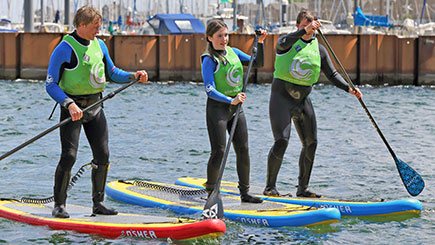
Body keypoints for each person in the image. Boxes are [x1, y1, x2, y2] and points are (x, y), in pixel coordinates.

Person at [45, 5, 148, 218]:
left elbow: (112, 72)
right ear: (81, 25)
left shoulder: (100, 45)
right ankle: (59, 205)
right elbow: (51, 84)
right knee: (69, 156)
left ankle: (98, 203)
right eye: (95, 26)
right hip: (72, 108)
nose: (98, 31)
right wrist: (68, 104)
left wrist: (133, 76)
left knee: (103, 155)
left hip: (95, 107)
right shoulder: (64, 48)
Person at [263, 9, 362, 198]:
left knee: (311, 143)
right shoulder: (287, 42)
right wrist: (304, 31)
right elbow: (282, 42)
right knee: (282, 141)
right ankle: (270, 187)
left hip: (302, 100)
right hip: (281, 98)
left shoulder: (320, 49)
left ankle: (302, 189)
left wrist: (350, 88)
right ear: (298, 26)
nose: (309, 30)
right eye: (304, 26)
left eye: (312, 26)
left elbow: (332, 74)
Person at [201, 19, 267, 203]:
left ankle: (245, 193)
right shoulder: (209, 59)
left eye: (226, 35)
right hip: (217, 110)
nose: (224, 39)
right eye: (219, 36)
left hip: (236, 109)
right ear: (210, 38)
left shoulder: (234, 52)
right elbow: (209, 89)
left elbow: (258, 63)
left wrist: (260, 42)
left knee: (243, 149)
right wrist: (231, 99)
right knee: (219, 151)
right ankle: (211, 192)